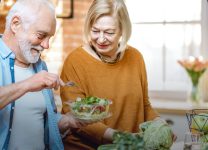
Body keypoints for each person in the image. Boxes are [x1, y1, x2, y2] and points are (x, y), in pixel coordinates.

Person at [60, 0, 176, 149]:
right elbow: (76, 118)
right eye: (95, 31)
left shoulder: (135, 58)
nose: (101, 39)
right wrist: (122, 137)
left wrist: (160, 124)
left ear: (122, 30)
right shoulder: (75, 61)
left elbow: (144, 105)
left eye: (109, 32)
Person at [0, 0, 88, 149]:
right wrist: (27, 84)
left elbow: (44, 125)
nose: (46, 45)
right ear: (15, 24)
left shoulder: (41, 67)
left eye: (50, 38)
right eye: (41, 35)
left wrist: (69, 121)